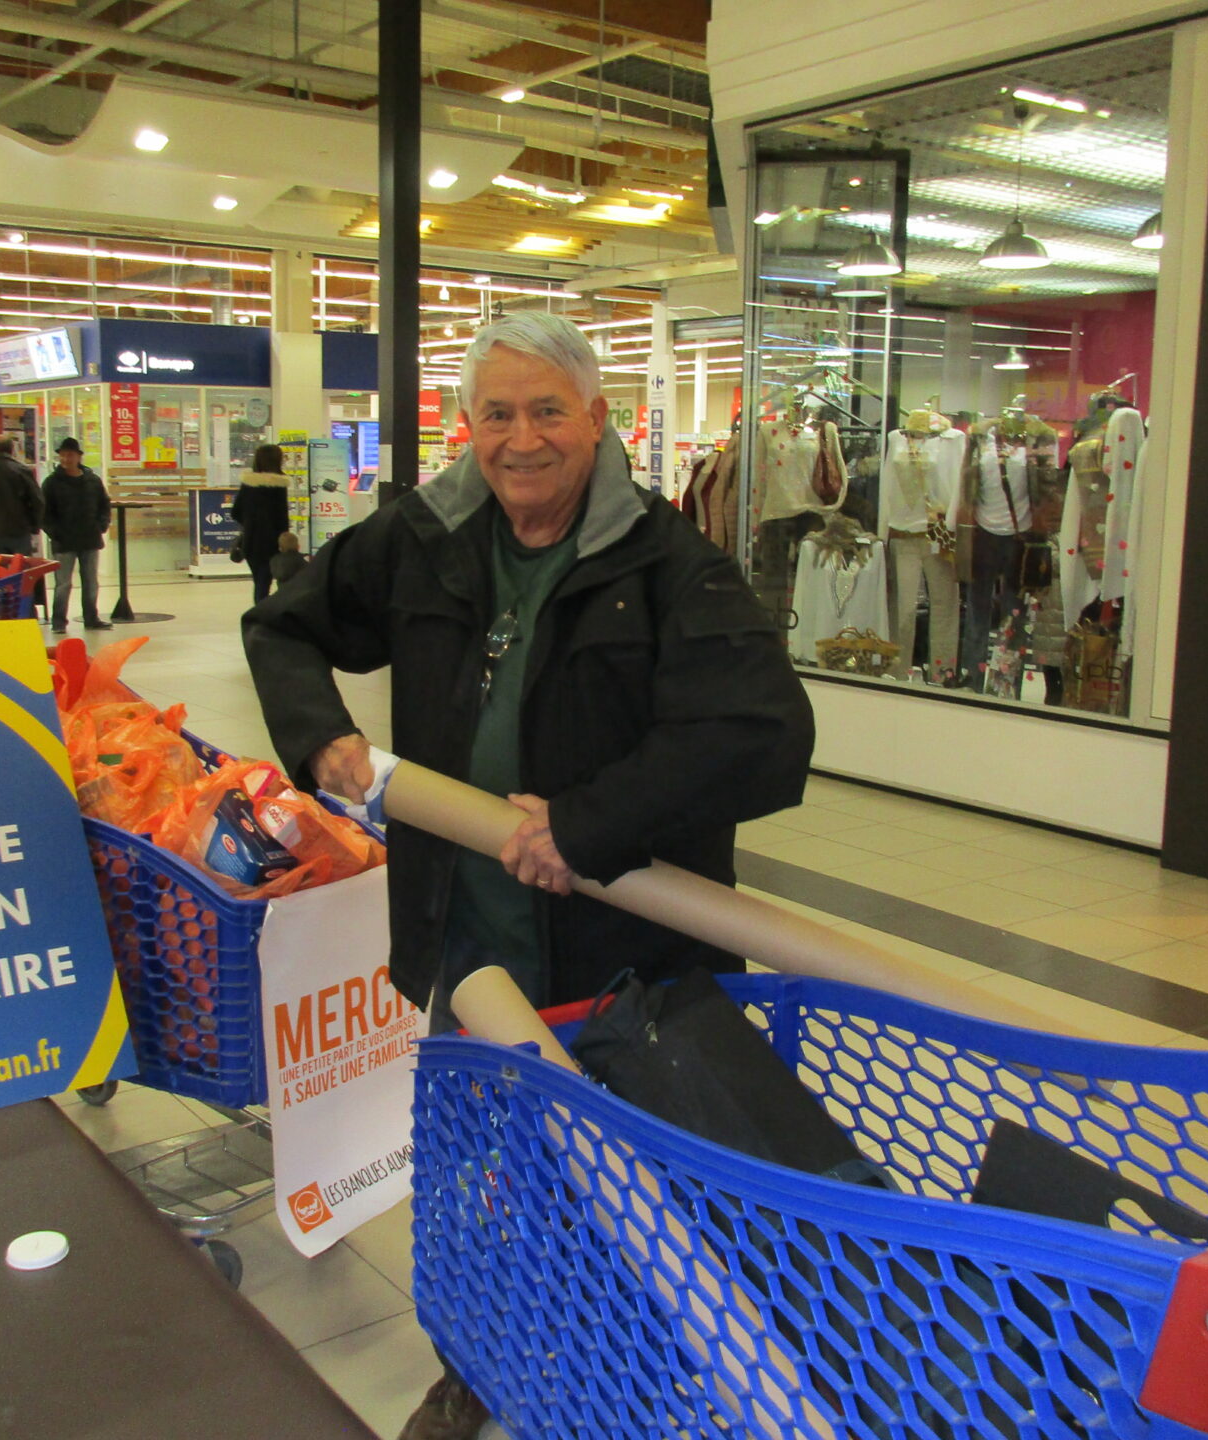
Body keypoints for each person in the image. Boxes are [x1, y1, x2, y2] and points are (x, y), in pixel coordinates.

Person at [242, 313, 814, 1440]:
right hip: (461, 942)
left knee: (634, 1182)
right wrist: (317, 738)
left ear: (597, 420)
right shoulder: (424, 536)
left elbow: (760, 732)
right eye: (496, 413)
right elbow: (283, 627)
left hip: (623, 963)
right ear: (466, 425)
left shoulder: (664, 566)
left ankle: (645, 1372)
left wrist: (591, 821)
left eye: (547, 409)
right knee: (478, 1174)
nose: (520, 439)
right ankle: (479, 1361)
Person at [41, 436, 110, 632]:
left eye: (69, 455)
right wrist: (54, 533)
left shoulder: (92, 480)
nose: (65, 459)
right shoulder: (51, 483)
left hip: (90, 538)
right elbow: (44, 513)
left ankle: (91, 618)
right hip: (64, 541)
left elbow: (104, 505)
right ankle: (59, 622)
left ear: (79, 457)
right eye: (62, 456)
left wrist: (101, 526)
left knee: (91, 581)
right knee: (63, 583)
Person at [233, 443, 292, 604]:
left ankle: (260, 616)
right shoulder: (279, 485)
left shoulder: (248, 483)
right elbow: (282, 518)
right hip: (273, 544)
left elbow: (235, 512)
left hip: (251, 543)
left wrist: (251, 523)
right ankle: (262, 617)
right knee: (267, 583)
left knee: (260, 583)